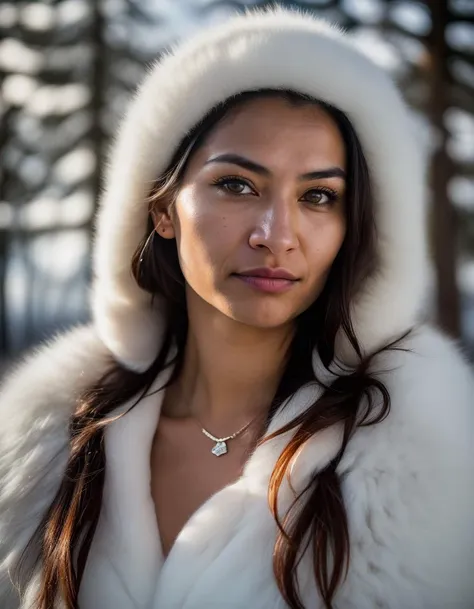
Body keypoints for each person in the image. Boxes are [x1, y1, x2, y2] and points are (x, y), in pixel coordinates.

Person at [1, 6, 473, 609]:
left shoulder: (423, 460)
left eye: (319, 196)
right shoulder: (40, 445)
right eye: (237, 185)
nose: (277, 234)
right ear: (163, 209)